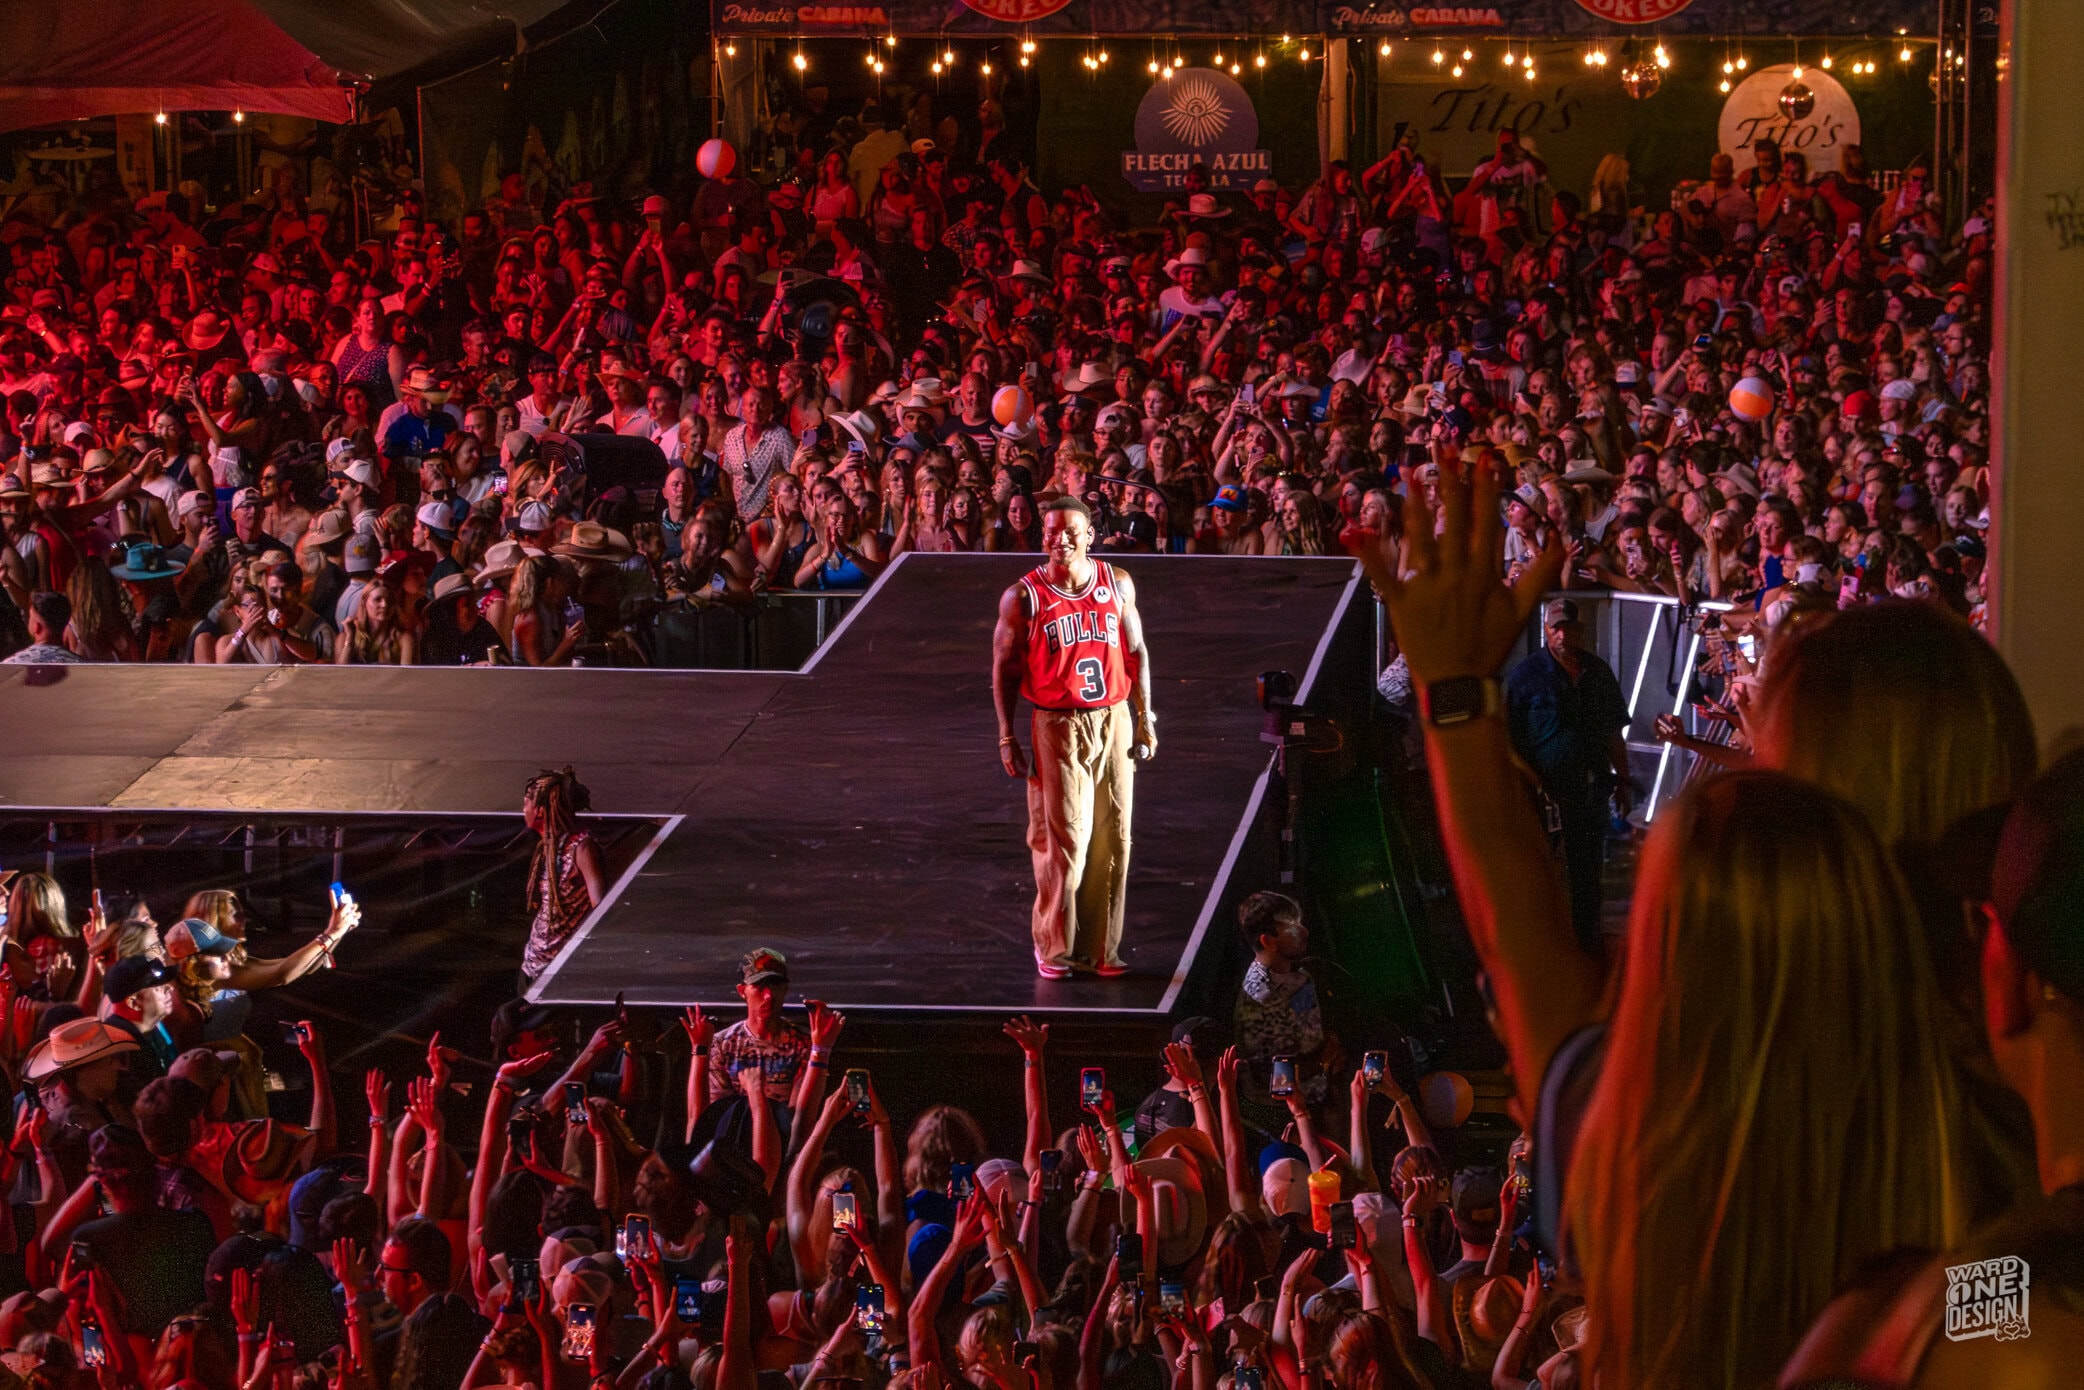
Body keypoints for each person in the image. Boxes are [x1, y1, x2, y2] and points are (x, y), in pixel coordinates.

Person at [993, 497, 1157, 979]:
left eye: (1070, 531)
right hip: (1057, 722)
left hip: (1114, 717)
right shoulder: (1023, 596)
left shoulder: (1117, 582)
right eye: (1051, 531)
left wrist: (1146, 718)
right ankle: (1053, 946)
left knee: (1116, 835)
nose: (1059, 539)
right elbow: (1003, 668)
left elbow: (1137, 651)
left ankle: (1101, 949)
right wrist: (1006, 734)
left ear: (1090, 536)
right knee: (1066, 839)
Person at [1503, 596, 1630, 954]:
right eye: (1555, 627)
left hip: (1590, 788)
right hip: (1545, 792)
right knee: (1542, 870)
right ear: (1545, 629)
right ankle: (1545, 944)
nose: (1561, 634)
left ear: (1579, 630)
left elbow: (1612, 731)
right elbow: (1508, 741)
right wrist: (1534, 783)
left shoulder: (1598, 672)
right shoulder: (1525, 676)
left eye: (1568, 627)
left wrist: (1622, 778)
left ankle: (1586, 944)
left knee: (1588, 869)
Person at [518, 767, 605, 985]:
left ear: (540, 810)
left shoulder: (581, 848)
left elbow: (601, 909)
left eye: (527, 802)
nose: (523, 809)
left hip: (558, 975)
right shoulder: (547, 848)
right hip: (533, 966)